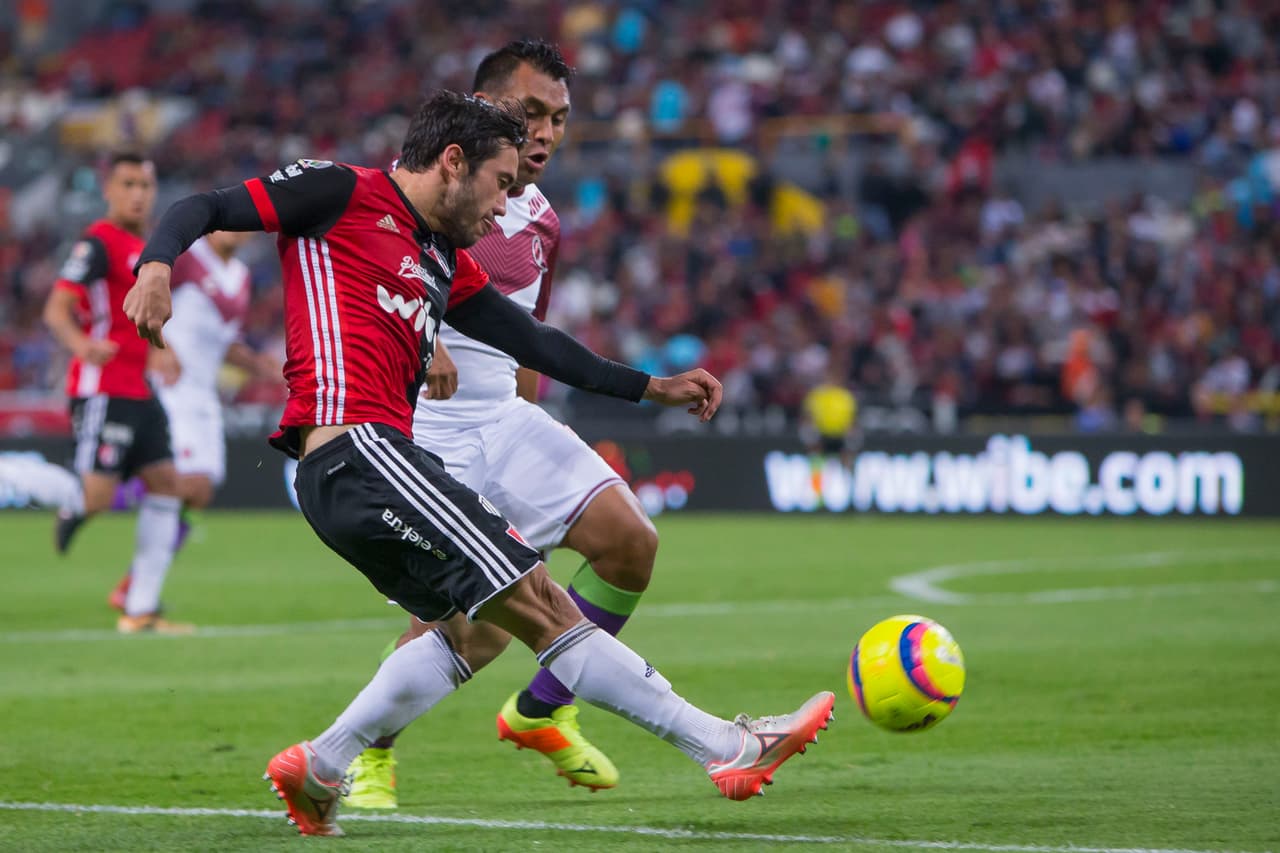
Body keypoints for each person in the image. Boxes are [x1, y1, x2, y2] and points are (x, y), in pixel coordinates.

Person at [124, 90, 832, 838]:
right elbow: (203, 206)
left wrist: (650, 387)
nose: (503, 206)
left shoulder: (440, 260)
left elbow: (536, 344)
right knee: (542, 601)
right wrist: (155, 267)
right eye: (500, 184)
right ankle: (727, 748)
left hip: (353, 474)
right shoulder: (339, 191)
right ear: (453, 162)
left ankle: (325, 763)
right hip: (359, 450)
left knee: (470, 632)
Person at [344, 39, 654, 809]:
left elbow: (525, 335)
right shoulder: (419, 188)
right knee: (466, 632)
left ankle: (541, 709)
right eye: (530, 112)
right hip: (427, 430)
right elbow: (369, 282)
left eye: (560, 119)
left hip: (506, 419)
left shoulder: (542, 218)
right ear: (481, 109)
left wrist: (531, 420)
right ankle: (368, 751)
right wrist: (425, 337)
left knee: (629, 542)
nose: (546, 132)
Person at [41, 151, 191, 635]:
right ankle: (68, 502)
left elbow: (137, 319)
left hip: (140, 388)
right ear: (108, 190)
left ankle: (141, 608)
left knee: (167, 483)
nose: (138, 194)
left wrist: (163, 350)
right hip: (102, 389)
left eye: (145, 185)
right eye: (128, 184)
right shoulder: (98, 242)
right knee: (99, 497)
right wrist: (82, 345)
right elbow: (56, 308)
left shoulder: (145, 247)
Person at [106, 230, 278, 611]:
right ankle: (96, 496)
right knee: (178, 483)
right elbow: (137, 300)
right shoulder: (186, 257)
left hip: (203, 392)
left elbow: (224, 343)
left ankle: (132, 583)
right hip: (173, 387)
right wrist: (158, 348)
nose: (239, 230)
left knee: (199, 491)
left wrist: (259, 366)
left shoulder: (240, 278)